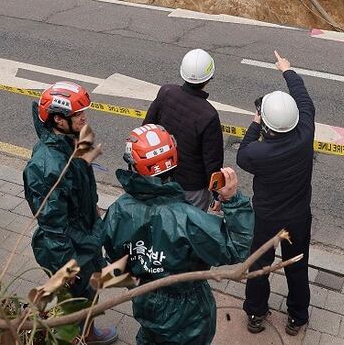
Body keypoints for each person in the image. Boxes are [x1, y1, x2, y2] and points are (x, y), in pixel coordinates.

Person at [102, 124, 253, 345]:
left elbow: (115, 259)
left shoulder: (118, 210)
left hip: (146, 300)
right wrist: (233, 202)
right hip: (189, 312)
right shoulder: (188, 219)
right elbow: (238, 248)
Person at [23, 81, 117, 345]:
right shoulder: (46, 165)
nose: (84, 117)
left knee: (87, 295)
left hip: (85, 236)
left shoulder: (68, 143)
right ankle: (76, 337)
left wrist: (93, 210)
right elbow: (52, 225)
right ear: (58, 120)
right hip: (71, 249)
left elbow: (77, 189)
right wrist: (66, 266)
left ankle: (89, 333)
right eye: (77, 114)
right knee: (73, 305)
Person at [238, 51, 316, 336]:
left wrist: (254, 123)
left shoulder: (258, 153)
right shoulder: (306, 133)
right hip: (298, 217)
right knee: (297, 265)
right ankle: (297, 317)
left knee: (259, 265)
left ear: (267, 124)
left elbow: (243, 154)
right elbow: (304, 99)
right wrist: (288, 70)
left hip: (266, 219)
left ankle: (256, 313)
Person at [140, 48, 223, 210]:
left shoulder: (166, 92)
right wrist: (217, 194)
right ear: (209, 77)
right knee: (190, 229)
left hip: (161, 177)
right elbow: (212, 161)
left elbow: (147, 129)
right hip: (192, 187)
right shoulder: (209, 115)